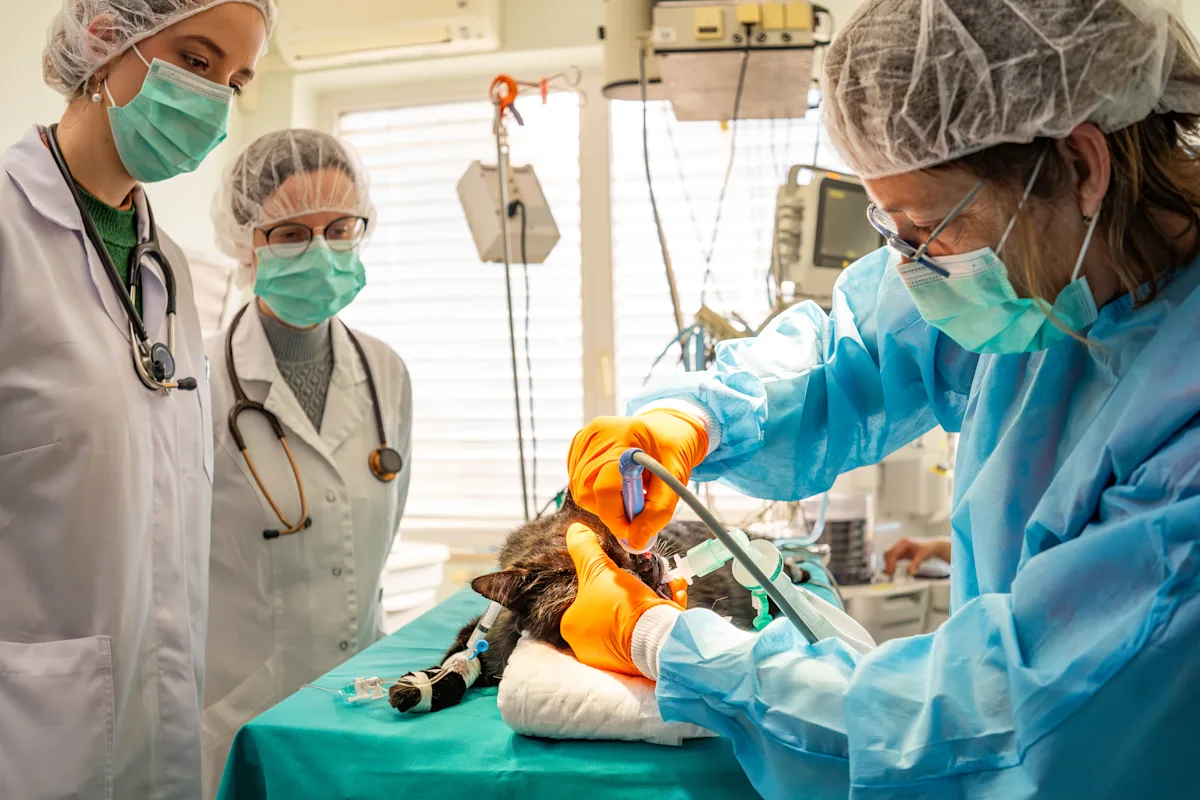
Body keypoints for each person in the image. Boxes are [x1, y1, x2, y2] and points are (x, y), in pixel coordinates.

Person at [562, 1, 1200, 796]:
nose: (909, 266)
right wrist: (691, 421)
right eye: (888, 229)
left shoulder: (1183, 432)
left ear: (1078, 166)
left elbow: (997, 718)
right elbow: (854, 352)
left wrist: (661, 640)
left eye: (927, 230)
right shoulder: (1053, 266)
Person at [0, 1, 273, 797]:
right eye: (195, 60)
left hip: (156, 711)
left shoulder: (172, 270)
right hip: (27, 732)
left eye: (237, 79)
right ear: (101, 40)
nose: (216, 98)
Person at [201, 129, 412, 796]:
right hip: (238, 713)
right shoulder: (195, 381)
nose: (321, 252)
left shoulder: (386, 372)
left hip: (362, 702)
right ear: (245, 242)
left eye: (339, 228)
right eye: (291, 234)